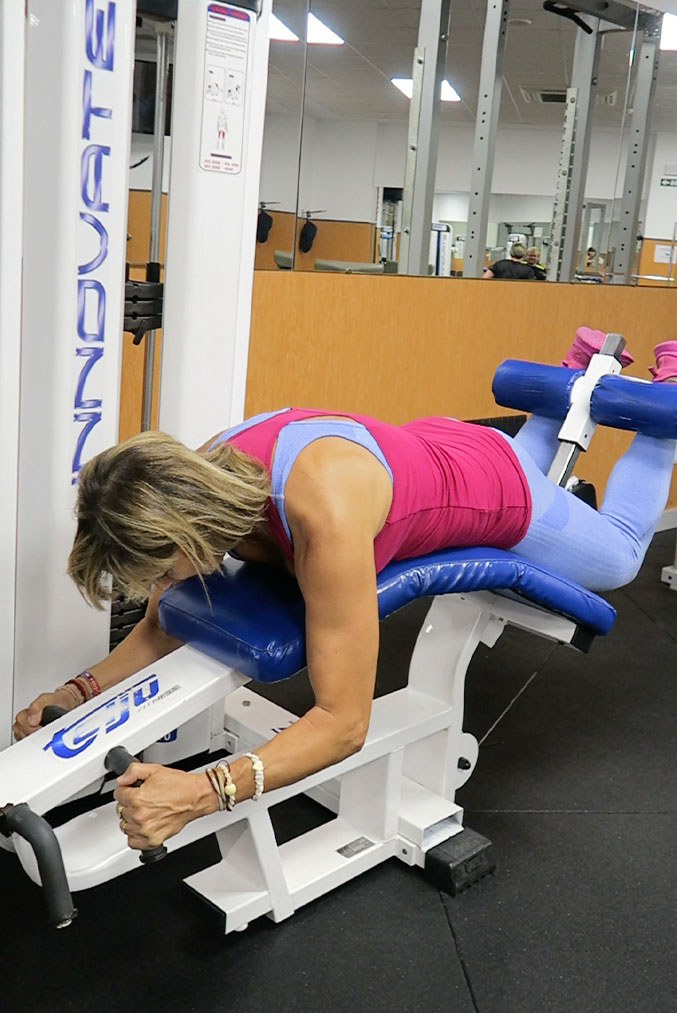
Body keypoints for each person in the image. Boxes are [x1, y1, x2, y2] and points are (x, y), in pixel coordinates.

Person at [12, 335, 677, 853]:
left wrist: (202, 792)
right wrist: (76, 692)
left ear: (189, 531)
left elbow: (343, 722)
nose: (159, 589)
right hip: (435, 443)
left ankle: (665, 401)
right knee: (511, 459)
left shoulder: (321, 518)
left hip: (492, 487)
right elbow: (163, 622)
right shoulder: (200, 474)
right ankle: (577, 364)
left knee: (617, 553)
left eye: (159, 569)